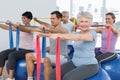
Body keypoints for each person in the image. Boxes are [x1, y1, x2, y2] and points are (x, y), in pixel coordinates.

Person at [39, 12, 99, 80]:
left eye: (86, 21)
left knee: (68, 78)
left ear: (90, 23)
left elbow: (79, 37)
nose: (84, 24)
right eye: (81, 21)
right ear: (78, 23)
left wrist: (58, 35)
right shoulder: (76, 33)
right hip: (75, 62)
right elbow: (66, 35)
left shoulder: (92, 33)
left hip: (89, 65)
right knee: (53, 74)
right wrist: (49, 35)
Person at [24, 11, 68, 80]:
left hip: (61, 57)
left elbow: (56, 30)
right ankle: (30, 78)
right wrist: (38, 21)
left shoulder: (64, 30)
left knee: (46, 59)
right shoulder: (51, 29)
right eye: (51, 19)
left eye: (53, 18)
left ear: (59, 19)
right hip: (51, 55)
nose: (51, 20)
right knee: (28, 55)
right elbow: (46, 25)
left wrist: (46, 28)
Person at [0, 11, 34, 80]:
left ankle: (11, 77)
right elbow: (7, 27)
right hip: (19, 48)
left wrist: (12, 23)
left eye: (25, 18)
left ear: (30, 19)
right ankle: (0, 75)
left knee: (12, 55)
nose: (23, 19)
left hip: (28, 49)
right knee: (2, 54)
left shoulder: (31, 28)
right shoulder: (20, 27)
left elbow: (24, 29)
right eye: (22, 18)